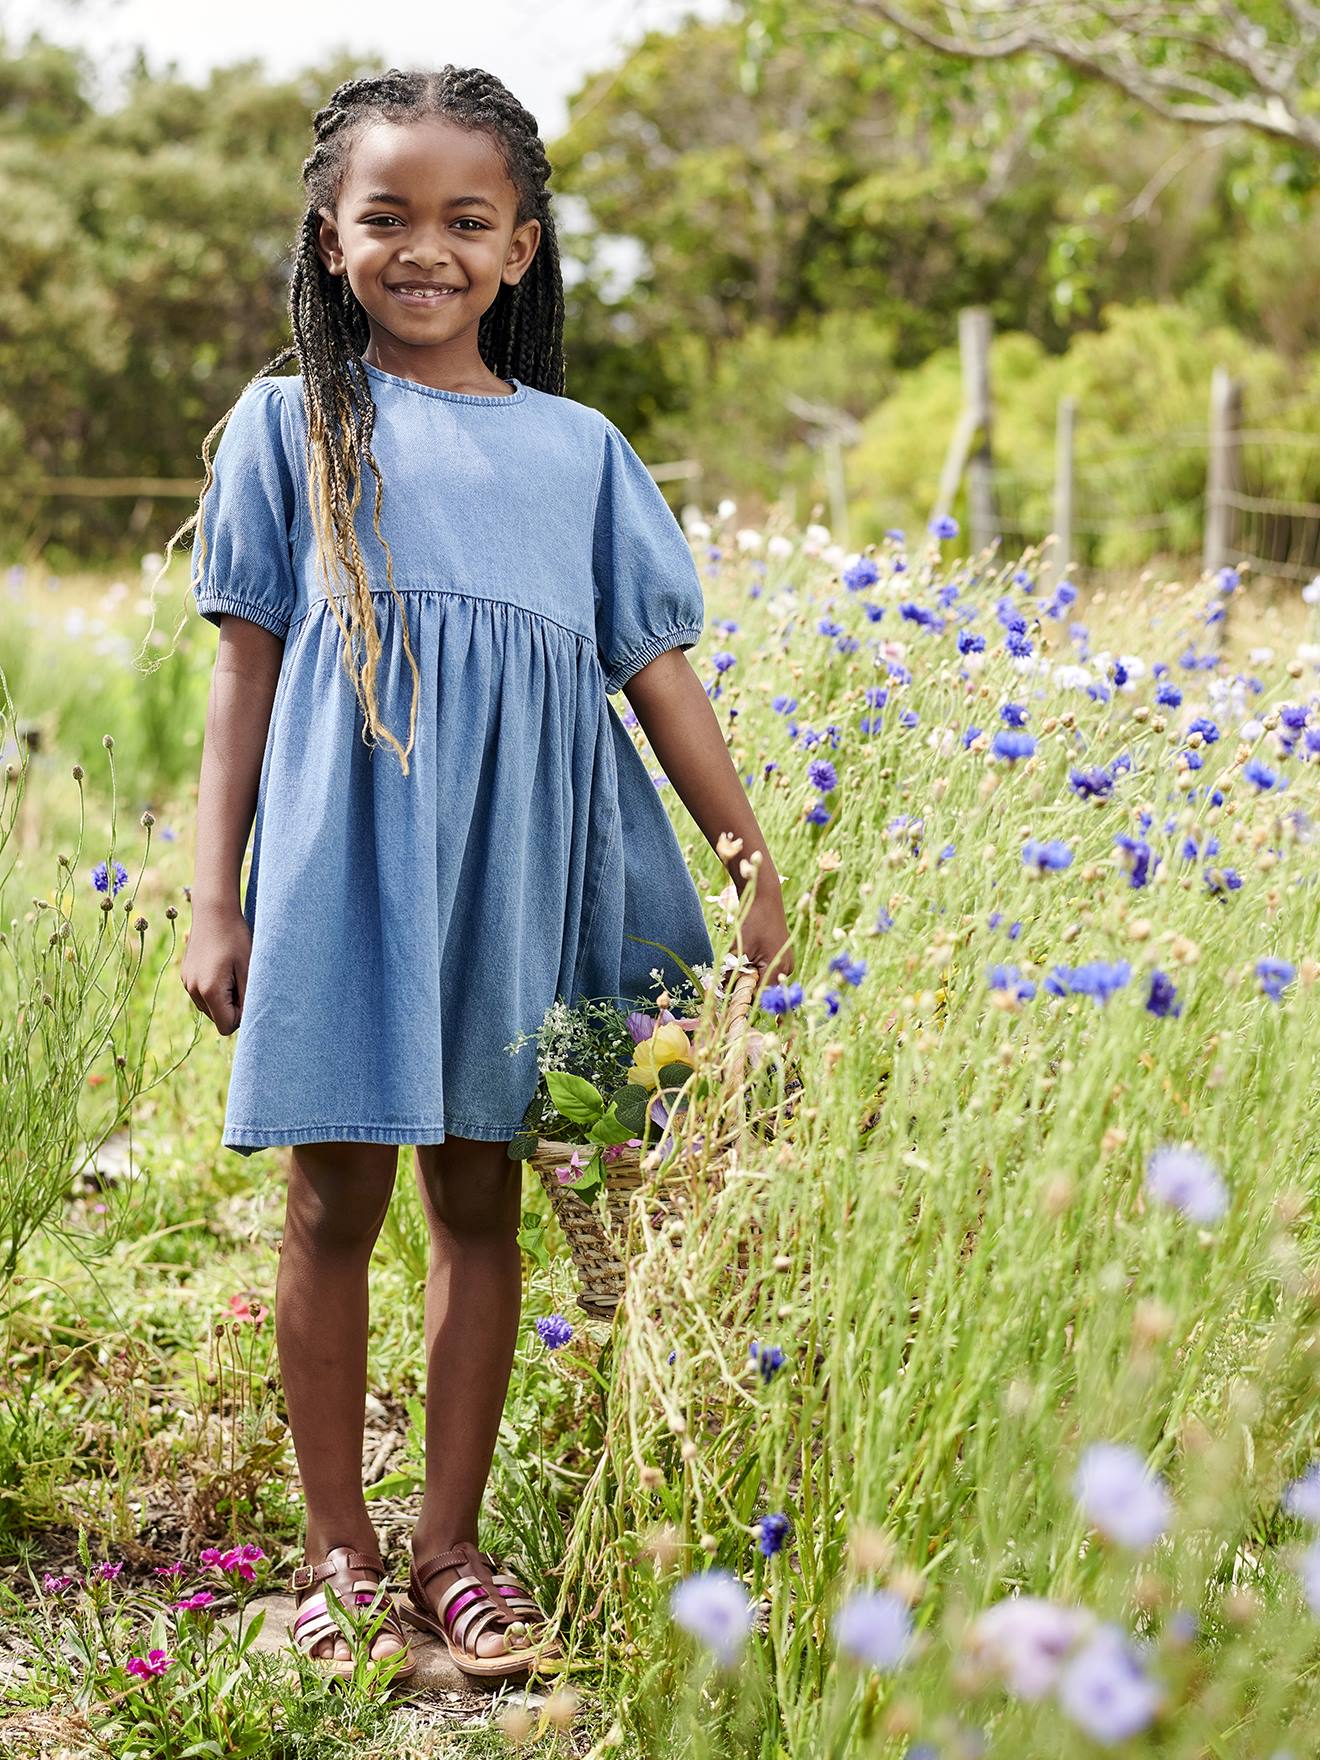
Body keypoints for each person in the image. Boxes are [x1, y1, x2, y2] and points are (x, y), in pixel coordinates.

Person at [173, 65, 794, 1683]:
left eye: (467, 220)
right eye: (388, 217)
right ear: (330, 239)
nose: (425, 249)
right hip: (344, 863)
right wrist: (214, 892)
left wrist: (747, 855)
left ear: (521, 248)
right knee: (331, 1193)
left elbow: (657, 672)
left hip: (518, 868)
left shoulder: (583, 452)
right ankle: (335, 1551)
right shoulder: (287, 424)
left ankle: (449, 1547)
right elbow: (243, 672)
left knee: (481, 1189)